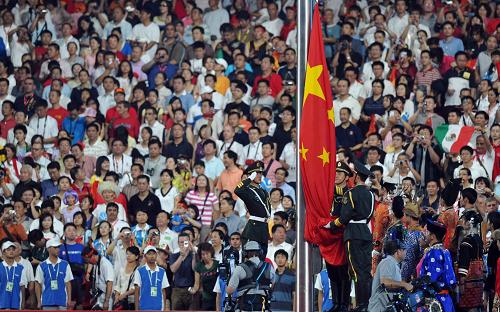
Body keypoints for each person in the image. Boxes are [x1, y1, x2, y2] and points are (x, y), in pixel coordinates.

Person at [326, 161, 375, 311]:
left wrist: (332, 225)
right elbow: (369, 215)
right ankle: (364, 304)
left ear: (356, 177)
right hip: (365, 233)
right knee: (365, 271)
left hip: (352, 232)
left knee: (354, 271)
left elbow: (345, 216)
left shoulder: (350, 193)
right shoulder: (371, 194)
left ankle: (361, 305)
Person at [419, 219, 457, 312]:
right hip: (446, 300)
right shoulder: (445, 251)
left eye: (427, 232)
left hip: (436, 301)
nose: (425, 235)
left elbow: (430, 278)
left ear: (432, 236)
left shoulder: (434, 252)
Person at [234, 161, 271, 256]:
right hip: (253, 229)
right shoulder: (248, 190)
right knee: (251, 259)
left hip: (263, 228)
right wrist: (249, 178)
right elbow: (237, 190)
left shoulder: (264, 191)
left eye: (261, 173)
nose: (259, 175)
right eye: (256, 173)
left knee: (262, 257)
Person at [226, 241, 273, 312]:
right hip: (262, 307)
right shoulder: (269, 267)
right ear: (260, 252)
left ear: (245, 253)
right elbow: (273, 285)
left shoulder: (240, 268)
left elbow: (230, 291)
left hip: (244, 307)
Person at [368, 240, 413, 312]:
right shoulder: (387, 262)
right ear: (398, 252)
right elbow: (385, 282)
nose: (406, 252)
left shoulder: (393, 263)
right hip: (379, 308)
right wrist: (404, 284)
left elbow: (393, 283)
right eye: (404, 250)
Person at [34, 238, 74, 310]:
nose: (58, 249)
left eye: (58, 247)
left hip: (62, 301)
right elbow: (37, 284)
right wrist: (39, 301)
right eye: (55, 247)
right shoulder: (42, 266)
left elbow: (68, 283)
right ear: (48, 249)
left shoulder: (65, 264)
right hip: (47, 301)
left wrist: (69, 300)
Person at [133, 246, 170, 311]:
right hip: (143, 307)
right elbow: (137, 291)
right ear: (145, 256)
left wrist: (164, 309)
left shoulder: (162, 271)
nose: (152, 256)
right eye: (149, 254)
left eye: (153, 253)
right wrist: (136, 309)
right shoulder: (139, 271)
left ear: (156, 255)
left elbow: (163, 291)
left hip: (158, 308)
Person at [0, 241, 28, 310]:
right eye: (8, 250)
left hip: (16, 303)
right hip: (1, 303)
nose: (11, 251)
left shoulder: (20, 268)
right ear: (3, 252)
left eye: (13, 249)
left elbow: (22, 286)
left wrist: (23, 302)